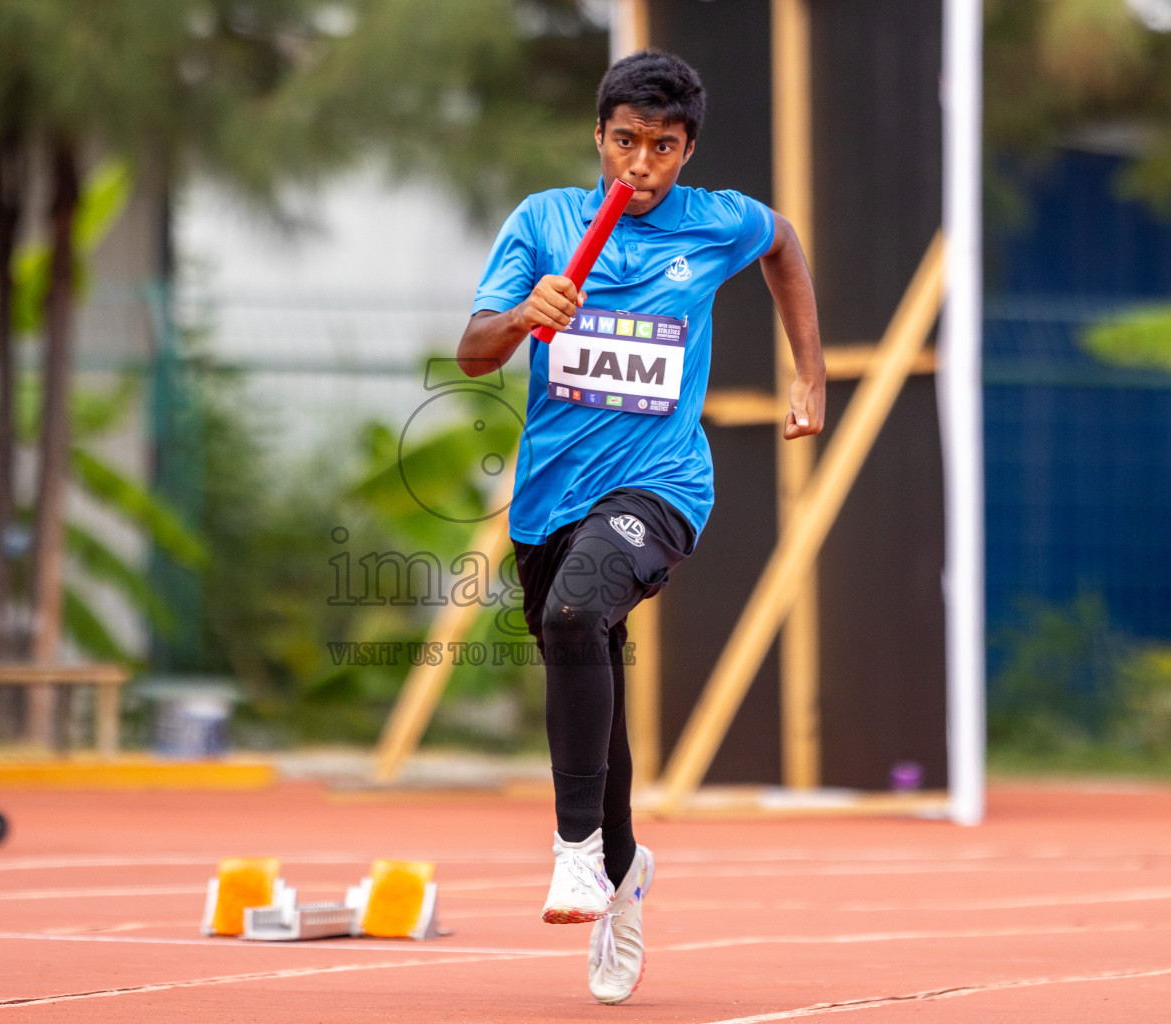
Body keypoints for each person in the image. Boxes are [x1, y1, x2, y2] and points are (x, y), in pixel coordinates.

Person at [457, 50, 825, 1004]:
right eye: (626, 143)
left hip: (660, 487)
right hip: (551, 500)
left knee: (579, 617)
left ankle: (576, 852)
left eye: (663, 148)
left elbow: (784, 246)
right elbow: (470, 353)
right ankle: (623, 881)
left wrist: (811, 373)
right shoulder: (545, 224)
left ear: (686, 149)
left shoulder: (715, 223)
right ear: (600, 137)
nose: (641, 166)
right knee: (590, 670)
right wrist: (523, 316)